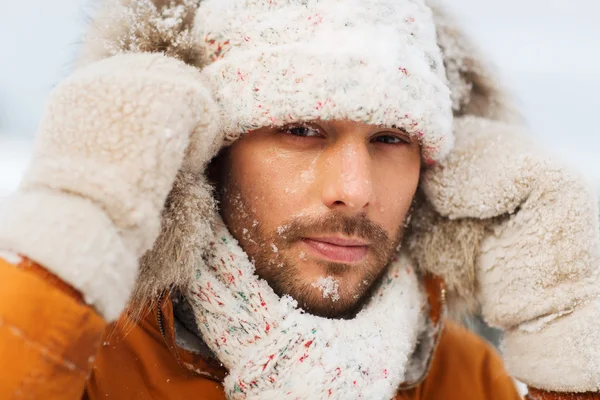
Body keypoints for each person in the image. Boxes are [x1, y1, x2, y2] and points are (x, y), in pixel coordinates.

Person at [0, 0, 598, 399]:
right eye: (302, 130)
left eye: (390, 138)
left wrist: (570, 346)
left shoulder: (464, 378)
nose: (355, 191)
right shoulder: (80, 355)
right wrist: (72, 229)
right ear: (207, 151)